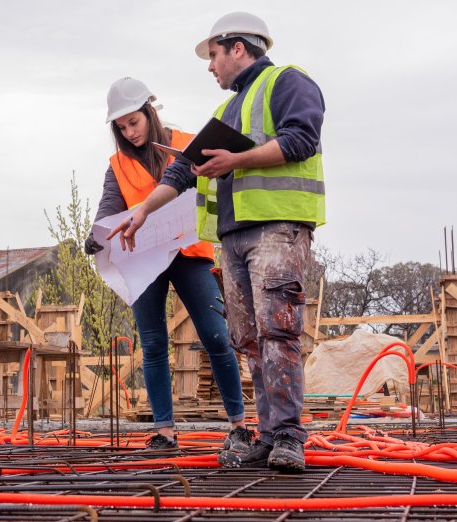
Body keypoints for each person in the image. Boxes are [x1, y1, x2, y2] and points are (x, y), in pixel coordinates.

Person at [106, 12, 325, 471]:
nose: (210, 66)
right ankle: (267, 435)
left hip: (277, 228)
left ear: (238, 48)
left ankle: (287, 436)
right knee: (248, 337)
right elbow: (184, 170)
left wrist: (237, 159)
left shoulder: (288, 82)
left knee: (278, 329)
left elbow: (302, 138)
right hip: (235, 237)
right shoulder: (225, 112)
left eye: (213, 55)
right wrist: (144, 210)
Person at [86, 77, 247, 451]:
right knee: (154, 344)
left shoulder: (187, 143)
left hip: (190, 254)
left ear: (150, 112)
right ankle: (164, 432)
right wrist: (96, 235)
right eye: (121, 127)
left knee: (216, 337)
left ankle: (239, 425)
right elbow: (110, 204)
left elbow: (218, 183)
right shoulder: (118, 165)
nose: (129, 132)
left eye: (134, 123)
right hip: (143, 258)